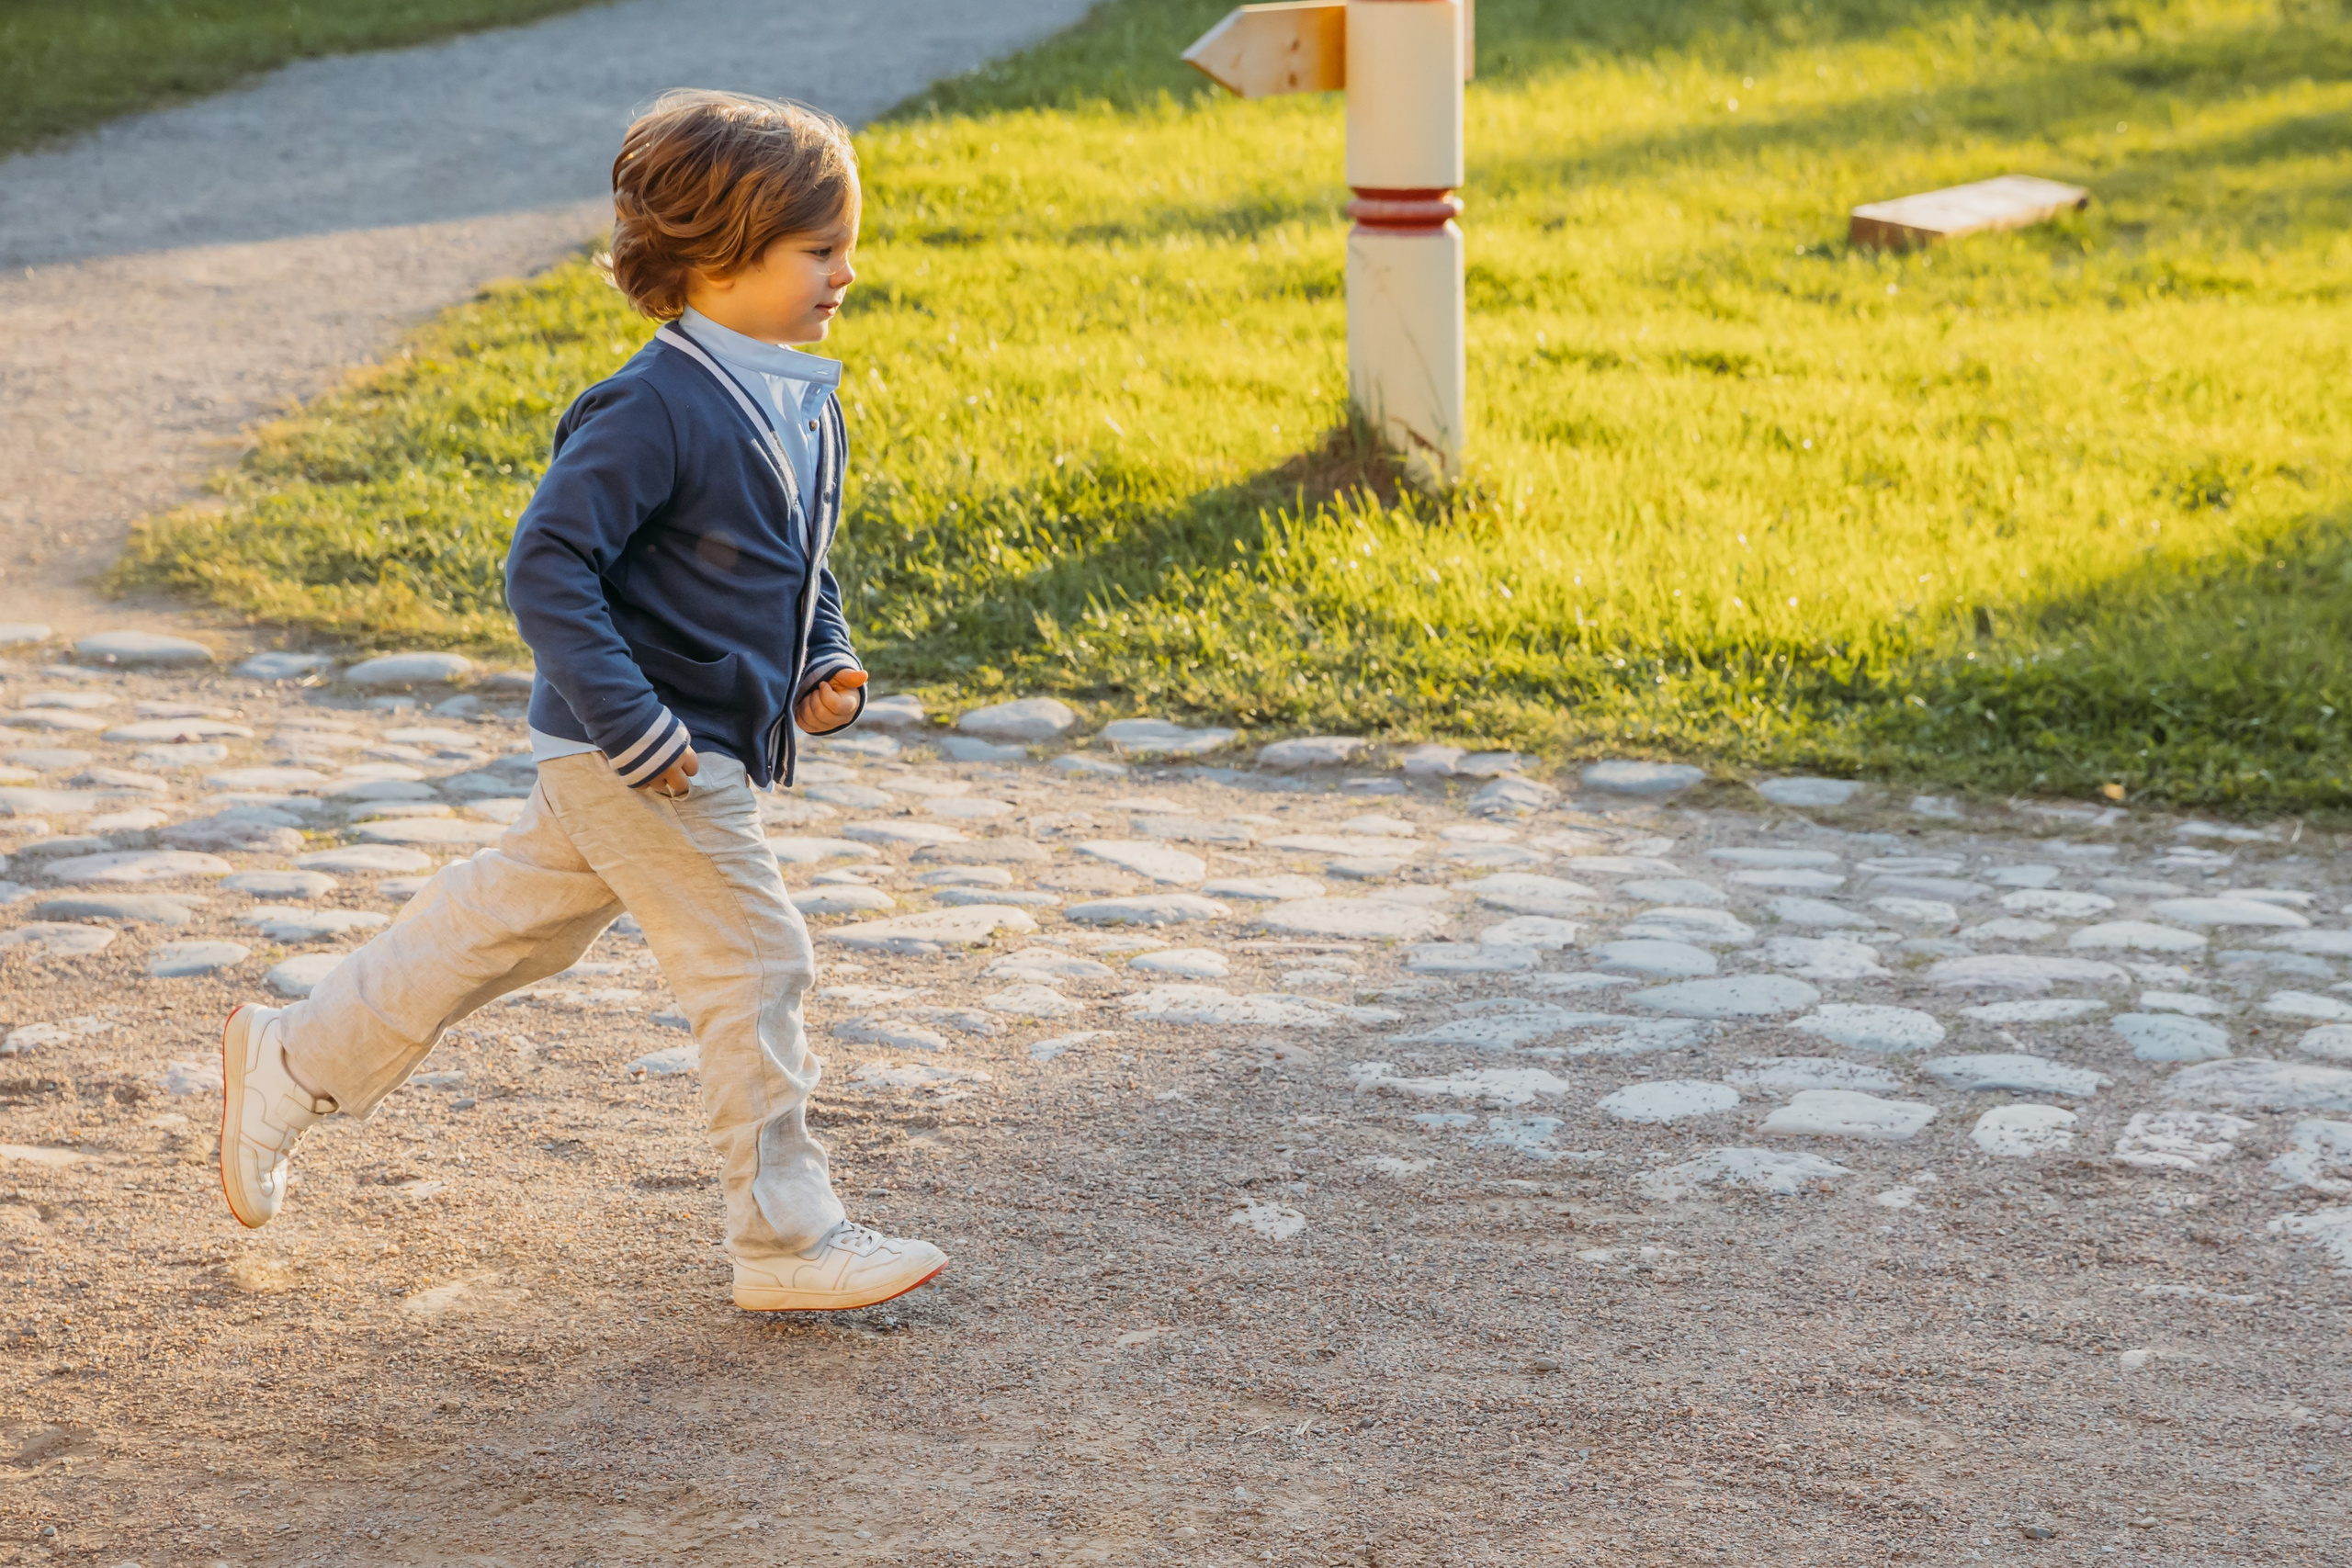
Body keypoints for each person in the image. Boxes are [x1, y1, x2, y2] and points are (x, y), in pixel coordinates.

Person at [217, 89, 946, 1314]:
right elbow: (546, 565)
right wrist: (634, 720)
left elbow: (798, 565)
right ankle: (785, 1238)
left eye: (846, 248)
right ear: (721, 252)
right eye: (821, 249)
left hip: (658, 746)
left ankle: (291, 1059)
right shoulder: (651, 406)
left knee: (506, 930)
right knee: (756, 957)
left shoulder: (800, 399)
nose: (847, 273)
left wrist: (823, 658)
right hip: (644, 749)